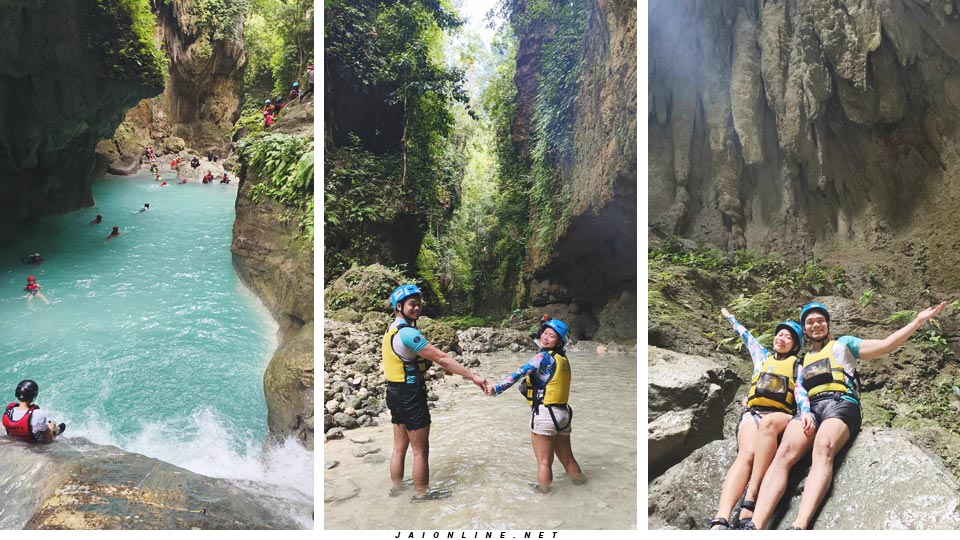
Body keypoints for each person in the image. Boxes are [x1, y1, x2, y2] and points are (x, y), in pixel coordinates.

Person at [748, 300, 947, 530]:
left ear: (828, 324)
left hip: (841, 403)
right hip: (811, 410)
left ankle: (799, 525)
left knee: (823, 447)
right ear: (805, 329)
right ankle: (755, 526)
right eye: (810, 322)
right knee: (783, 453)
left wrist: (918, 321)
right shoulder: (801, 362)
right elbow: (796, 392)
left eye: (820, 320)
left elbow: (886, 345)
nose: (816, 325)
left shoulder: (843, 344)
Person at [705, 309, 813, 530]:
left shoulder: (797, 366)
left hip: (780, 415)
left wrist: (806, 412)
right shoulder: (761, 355)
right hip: (753, 413)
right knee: (747, 453)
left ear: (794, 346)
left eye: (787, 337)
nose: (781, 338)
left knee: (769, 424)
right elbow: (745, 336)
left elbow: (800, 392)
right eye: (779, 334)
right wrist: (729, 317)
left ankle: (751, 498)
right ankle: (721, 518)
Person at [382, 284, 488, 499]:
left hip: (393, 392)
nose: (417, 308)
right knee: (421, 450)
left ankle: (397, 488)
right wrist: (473, 376)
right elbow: (441, 358)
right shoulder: (408, 333)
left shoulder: (390, 329)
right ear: (399, 306)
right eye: (412, 304)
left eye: (419, 304)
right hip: (410, 393)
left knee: (399, 447)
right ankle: (422, 495)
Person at [486, 316, 586, 493]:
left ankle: (544, 495)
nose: (546, 337)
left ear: (559, 341)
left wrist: (496, 389)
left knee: (544, 462)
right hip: (564, 414)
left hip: (546, 414)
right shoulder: (563, 359)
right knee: (568, 459)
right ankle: (582, 487)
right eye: (545, 333)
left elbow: (518, 374)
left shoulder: (541, 357)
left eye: (552, 336)